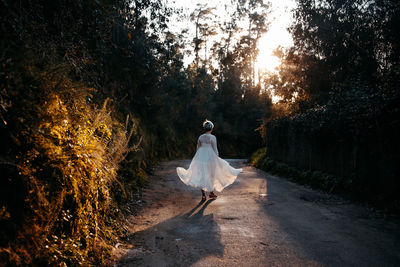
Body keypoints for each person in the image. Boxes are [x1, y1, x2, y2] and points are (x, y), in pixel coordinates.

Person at [176, 119, 242, 200]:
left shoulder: (200, 137)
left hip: (200, 157)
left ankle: (204, 195)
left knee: (202, 175)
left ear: (204, 128)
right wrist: (217, 158)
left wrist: (198, 157)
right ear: (211, 128)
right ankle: (211, 193)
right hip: (210, 158)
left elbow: (198, 147)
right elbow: (215, 149)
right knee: (211, 175)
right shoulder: (213, 137)